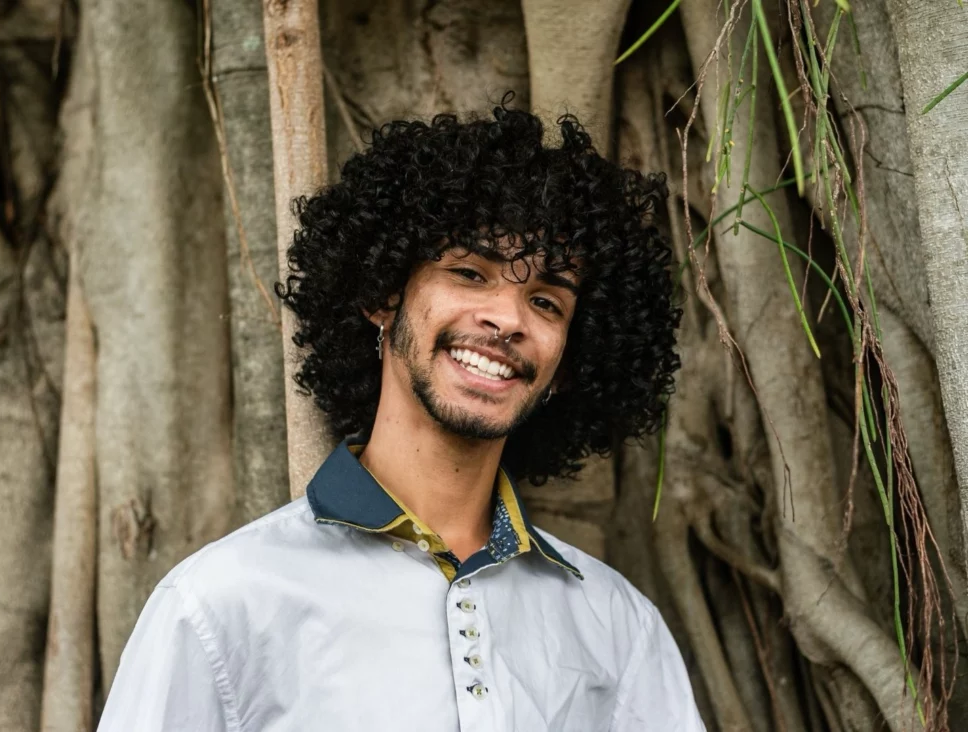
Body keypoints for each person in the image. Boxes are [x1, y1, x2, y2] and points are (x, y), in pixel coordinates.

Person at [97, 93, 705, 731]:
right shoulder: (221, 602)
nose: (507, 319)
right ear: (385, 295)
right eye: (470, 272)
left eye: (547, 302)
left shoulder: (618, 626)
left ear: (567, 365)